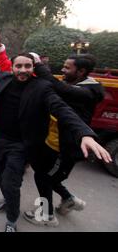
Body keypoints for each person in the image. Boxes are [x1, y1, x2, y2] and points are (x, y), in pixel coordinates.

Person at [0, 53, 111, 232]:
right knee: (1, 174)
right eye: (19, 66)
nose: (23, 70)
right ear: (12, 67)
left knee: (11, 181)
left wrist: (84, 134)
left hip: (22, 144)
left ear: (33, 68)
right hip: (0, 140)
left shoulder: (42, 87)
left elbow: (61, 109)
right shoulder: (4, 79)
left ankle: (11, 219)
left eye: (27, 66)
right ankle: (8, 200)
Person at [23, 53, 105, 227]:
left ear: (81, 71)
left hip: (66, 148)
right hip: (53, 143)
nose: (63, 70)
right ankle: (69, 199)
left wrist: (38, 65)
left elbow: (60, 88)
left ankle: (47, 216)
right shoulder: (75, 83)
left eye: (67, 68)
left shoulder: (88, 90)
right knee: (49, 176)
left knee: (43, 177)